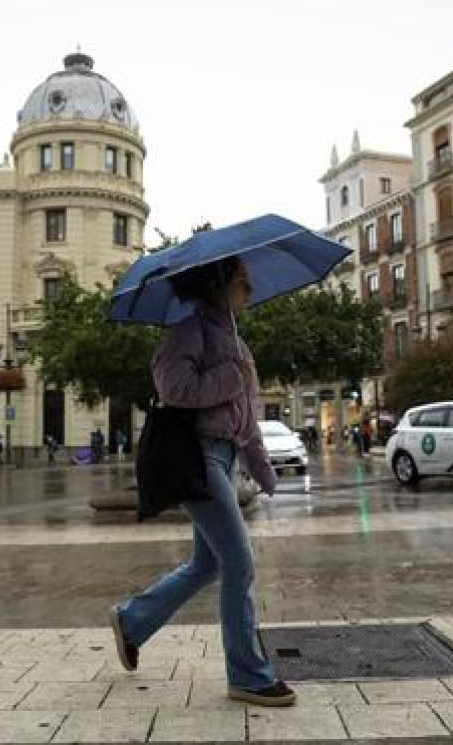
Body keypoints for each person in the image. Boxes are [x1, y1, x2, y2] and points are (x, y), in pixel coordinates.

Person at [109, 256, 295, 707]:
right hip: (199, 456)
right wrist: (232, 376)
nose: (250, 287)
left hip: (225, 460)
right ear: (219, 283)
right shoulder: (190, 329)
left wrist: (263, 470)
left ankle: (132, 621)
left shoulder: (236, 341)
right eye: (242, 279)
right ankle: (249, 675)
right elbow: (173, 387)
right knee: (239, 561)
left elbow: (246, 421)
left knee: (208, 565)